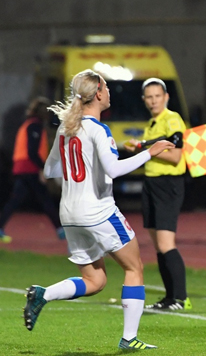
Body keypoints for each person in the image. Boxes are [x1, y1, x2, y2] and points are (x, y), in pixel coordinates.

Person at [23, 69, 173, 350]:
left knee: (95, 280)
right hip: (98, 211)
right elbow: (114, 170)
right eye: (105, 86)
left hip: (68, 213)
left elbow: (50, 168)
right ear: (98, 94)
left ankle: (44, 294)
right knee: (134, 267)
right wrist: (148, 153)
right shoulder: (98, 129)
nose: (109, 91)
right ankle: (129, 338)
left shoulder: (66, 128)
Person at [125, 78, 190, 311]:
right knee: (158, 246)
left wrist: (144, 147)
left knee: (166, 244)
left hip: (167, 184)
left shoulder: (171, 119)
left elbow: (175, 155)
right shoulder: (152, 123)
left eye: (157, 96)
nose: (153, 101)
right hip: (151, 183)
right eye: (149, 97)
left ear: (166, 97)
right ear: (144, 100)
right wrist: (143, 146)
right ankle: (169, 297)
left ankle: (180, 298)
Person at [0, 97, 64, 243]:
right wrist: (43, 168)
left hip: (22, 167)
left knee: (16, 200)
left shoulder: (28, 124)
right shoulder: (35, 126)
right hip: (29, 168)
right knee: (45, 199)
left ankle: (60, 229)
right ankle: (60, 229)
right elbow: (32, 151)